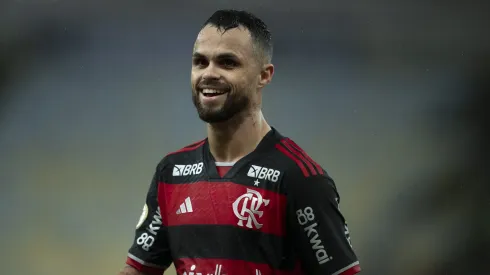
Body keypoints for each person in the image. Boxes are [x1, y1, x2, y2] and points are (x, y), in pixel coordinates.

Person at [118, 9, 361, 275]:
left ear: (264, 75)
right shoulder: (172, 174)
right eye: (200, 62)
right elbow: (138, 271)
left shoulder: (299, 179)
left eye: (227, 62)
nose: (209, 73)